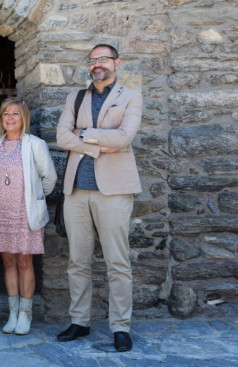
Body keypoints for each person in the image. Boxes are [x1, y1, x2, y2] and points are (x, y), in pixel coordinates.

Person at [55, 44, 143, 352]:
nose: (97, 65)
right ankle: (79, 321)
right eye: (93, 60)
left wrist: (83, 135)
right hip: (77, 191)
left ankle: (120, 326)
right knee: (77, 262)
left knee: (117, 263)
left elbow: (123, 139)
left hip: (115, 191)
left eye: (103, 59)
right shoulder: (76, 97)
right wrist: (97, 142)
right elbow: (61, 137)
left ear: (116, 63)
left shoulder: (131, 97)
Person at [0, 98, 57, 335]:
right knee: (7, 261)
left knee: (25, 262)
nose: (9, 119)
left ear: (23, 117)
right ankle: (13, 312)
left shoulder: (35, 144)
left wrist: (36, 198)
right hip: (0, 212)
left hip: (24, 213)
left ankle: (26, 314)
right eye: (5, 114)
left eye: (15, 114)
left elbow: (50, 178)